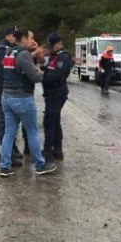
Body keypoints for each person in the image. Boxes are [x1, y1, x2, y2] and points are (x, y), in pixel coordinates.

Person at [0, 29, 58, 177]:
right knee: (32, 132)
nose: (33, 40)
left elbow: (17, 67)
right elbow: (35, 77)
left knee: (9, 133)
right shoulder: (23, 54)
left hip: (7, 97)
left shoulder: (9, 52)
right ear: (24, 38)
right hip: (22, 98)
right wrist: (40, 72)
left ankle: (4, 167)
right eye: (31, 38)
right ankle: (40, 164)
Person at [0, 28, 24, 163]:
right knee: (5, 122)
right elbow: (2, 72)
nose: (15, 37)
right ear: (7, 36)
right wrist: (3, 87)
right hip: (3, 90)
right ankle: (8, 155)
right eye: (13, 35)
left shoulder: (3, 48)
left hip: (1, 89)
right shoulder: (3, 50)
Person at [41, 33, 73, 161]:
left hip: (57, 93)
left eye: (51, 45)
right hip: (51, 93)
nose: (49, 48)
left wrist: (41, 76)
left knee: (49, 122)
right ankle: (57, 150)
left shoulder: (63, 57)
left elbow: (55, 75)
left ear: (59, 44)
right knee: (55, 121)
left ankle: (48, 151)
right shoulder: (53, 56)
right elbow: (46, 68)